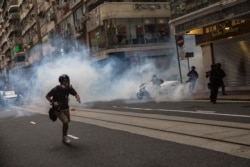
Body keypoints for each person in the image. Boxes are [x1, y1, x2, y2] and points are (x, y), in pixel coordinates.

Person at [46, 74, 81, 144]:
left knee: (67, 122)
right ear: (61, 82)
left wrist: (77, 97)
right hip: (58, 109)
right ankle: (65, 137)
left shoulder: (69, 88)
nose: (67, 83)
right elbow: (47, 96)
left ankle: (64, 138)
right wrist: (52, 102)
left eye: (67, 81)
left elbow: (75, 93)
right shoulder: (56, 89)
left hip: (66, 108)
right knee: (65, 121)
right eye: (65, 81)